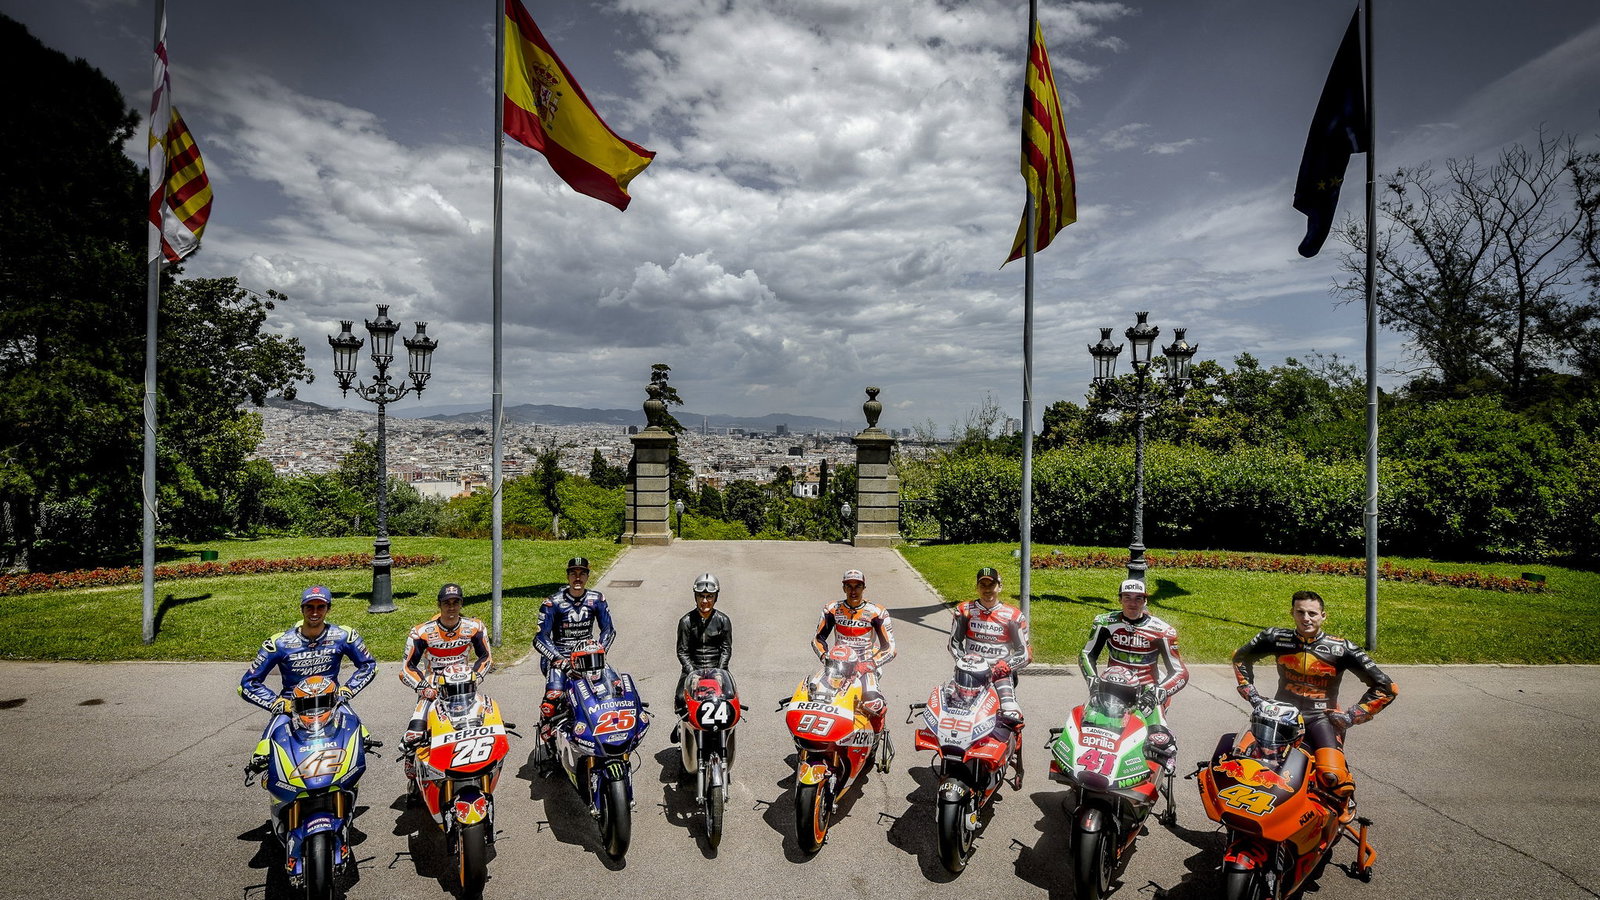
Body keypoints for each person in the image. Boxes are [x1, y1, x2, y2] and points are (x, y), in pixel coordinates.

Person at [1232, 590, 1398, 803]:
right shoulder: (1274, 637)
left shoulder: (1342, 648)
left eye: (1312, 613)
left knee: (1333, 777)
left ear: (1323, 616)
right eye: (1300, 612)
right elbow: (1240, 658)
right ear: (1292, 613)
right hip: (1278, 716)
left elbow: (1387, 687)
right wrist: (1251, 694)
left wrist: (1351, 716)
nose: (1306, 618)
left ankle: (1345, 808)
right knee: (1243, 759)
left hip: (1321, 719)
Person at [239, 585, 377, 761]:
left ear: (328, 609)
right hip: (291, 707)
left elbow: (370, 666)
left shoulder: (344, 635)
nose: (315, 612)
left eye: (321, 607)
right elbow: (247, 684)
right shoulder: (279, 642)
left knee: (363, 741)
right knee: (262, 755)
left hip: (333, 703)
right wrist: (276, 703)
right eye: (309, 607)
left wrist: (349, 689)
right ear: (301, 609)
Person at [1079, 577, 1188, 770]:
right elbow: (1086, 655)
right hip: (1110, 689)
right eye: (1127, 597)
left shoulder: (1163, 630)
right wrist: (1094, 682)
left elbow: (1180, 672)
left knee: (1161, 742)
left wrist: (1157, 693)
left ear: (1145, 601)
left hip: (1147, 692)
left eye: (1138, 598)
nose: (1132, 603)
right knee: (1088, 729)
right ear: (1120, 599)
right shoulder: (1104, 622)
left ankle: (1152, 778)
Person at [399, 583, 494, 770]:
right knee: (413, 736)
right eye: (446, 603)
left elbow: (486, 657)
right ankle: (412, 764)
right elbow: (406, 668)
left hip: (465, 686)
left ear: (461, 604)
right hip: (432, 688)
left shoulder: (475, 627)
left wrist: (476, 677)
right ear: (439, 605)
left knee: (483, 726)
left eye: (455, 602)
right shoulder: (421, 632)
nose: (451, 607)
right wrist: (423, 688)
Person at [949, 566, 1031, 765]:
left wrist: (1006, 666)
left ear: (999, 587)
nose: (987, 589)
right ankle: (955, 749)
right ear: (977, 587)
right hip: (969, 674)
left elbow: (1026, 653)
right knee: (950, 708)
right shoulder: (964, 610)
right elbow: (953, 643)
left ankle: (1011, 750)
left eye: (991, 584)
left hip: (999, 674)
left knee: (1011, 713)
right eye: (982, 584)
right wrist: (963, 663)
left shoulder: (1013, 615)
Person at [811, 569, 896, 752]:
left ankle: (873, 744)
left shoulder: (876, 612)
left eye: (858, 586)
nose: (853, 591)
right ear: (843, 588)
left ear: (864, 587)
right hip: (837, 664)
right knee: (816, 696)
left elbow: (890, 648)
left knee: (874, 703)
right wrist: (825, 657)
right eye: (849, 586)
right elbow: (818, 639)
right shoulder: (832, 608)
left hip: (865, 665)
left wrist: (869, 664)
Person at [533, 557, 616, 738]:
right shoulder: (552, 603)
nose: (577, 578)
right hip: (559, 656)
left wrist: (599, 650)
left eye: (582, 573)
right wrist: (559, 660)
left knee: (615, 687)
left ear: (587, 576)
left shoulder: (597, 599)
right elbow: (540, 638)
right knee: (554, 696)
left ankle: (609, 732)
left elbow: (609, 630)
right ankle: (547, 737)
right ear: (567, 576)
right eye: (573, 573)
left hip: (589, 656)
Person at [672, 572, 733, 744]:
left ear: (715, 597)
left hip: (718, 668)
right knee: (680, 698)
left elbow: (726, 649)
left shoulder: (723, 620)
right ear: (695, 596)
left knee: (728, 698)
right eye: (701, 596)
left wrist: (721, 671)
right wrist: (692, 672)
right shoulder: (685, 621)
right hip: (693, 668)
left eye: (709, 597)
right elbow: (682, 651)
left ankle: (723, 735)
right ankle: (683, 725)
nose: (705, 601)